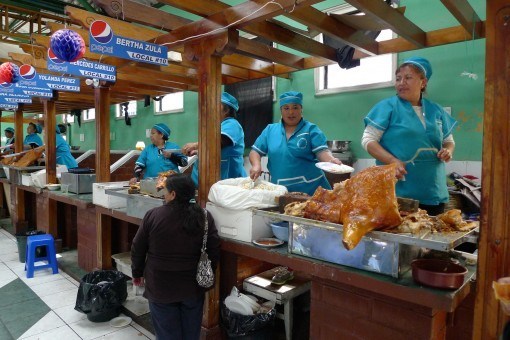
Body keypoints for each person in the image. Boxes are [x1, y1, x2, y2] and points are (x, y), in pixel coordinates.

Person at [362, 56, 457, 215]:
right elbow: (368, 140)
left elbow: (449, 141)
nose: (401, 82)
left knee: (431, 234)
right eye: (398, 78)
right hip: (398, 192)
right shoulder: (387, 107)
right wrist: (392, 161)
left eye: (408, 78)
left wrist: (448, 151)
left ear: (423, 82)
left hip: (433, 191)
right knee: (401, 236)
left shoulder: (436, 110)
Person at [131, 174, 220, 340]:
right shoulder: (205, 217)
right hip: (193, 286)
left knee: (166, 334)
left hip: (160, 286)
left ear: (173, 194)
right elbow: (214, 250)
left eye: (165, 191)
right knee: (191, 333)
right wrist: (208, 272)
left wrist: (137, 273)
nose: (163, 194)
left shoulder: (153, 215)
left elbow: (138, 248)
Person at [249, 91, 341, 195]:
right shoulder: (270, 130)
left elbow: (321, 152)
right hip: (281, 190)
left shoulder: (311, 129)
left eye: (295, 107)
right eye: (286, 108)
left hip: (312, 189)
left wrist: (331, 160)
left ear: (301, 109)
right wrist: (256, 165)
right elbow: (255, 151)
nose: (291, 112)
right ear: (281, 110)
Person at [182, 92, 247, 187]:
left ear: (226, 110)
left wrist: (196, 144)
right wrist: (199, 152)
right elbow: (216, 148)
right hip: (212, 180)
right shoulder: (218, 126)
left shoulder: (232, 124)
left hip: (227, 177)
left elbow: (220, 141)